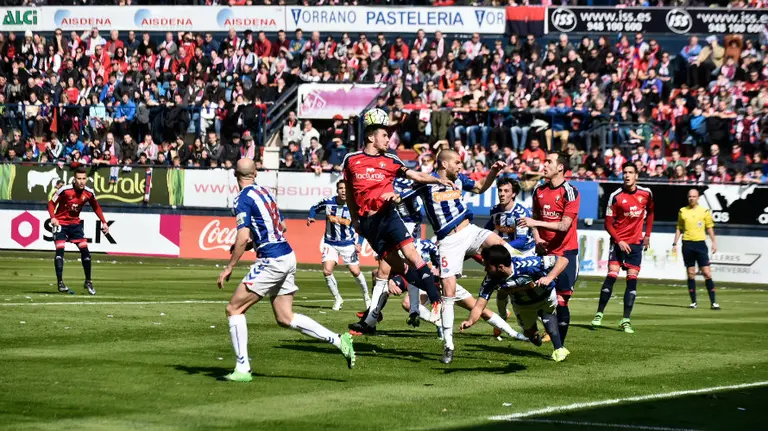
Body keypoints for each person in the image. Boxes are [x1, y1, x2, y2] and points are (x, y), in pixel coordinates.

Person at [216, 159, 356, 382]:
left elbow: (243, 236)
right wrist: (255, 243)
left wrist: (230, 266)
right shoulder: (265, 193)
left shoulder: (242, 199)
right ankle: (339, 340)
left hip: (272, 260)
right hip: (288, 255)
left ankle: (243, 369)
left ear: (236, 175)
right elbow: (281, 226)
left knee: (234, 309)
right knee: (284, 317)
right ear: (255, 173)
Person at [343, 109, 453, 336]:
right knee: (397, 267)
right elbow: (351, 195)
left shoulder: (391, 160)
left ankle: (435, 300)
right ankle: (376, 318)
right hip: (368, 224)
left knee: (412, 255)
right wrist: (355, 220)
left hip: (388, 216)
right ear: (372, 137)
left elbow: (417, 176)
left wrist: (438, 179)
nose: (388, 139)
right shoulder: (351, 160)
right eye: (384, 135)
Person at [405, 149, 513, 363]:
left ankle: (505, 283)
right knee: (449, 293)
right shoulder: (426, 182)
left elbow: (481, 187)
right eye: (457, 162)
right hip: (448, 241)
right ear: (444, 164)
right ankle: (448, 344)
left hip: (469, 231)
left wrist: (493, 171)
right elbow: (403, 196)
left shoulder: (460, 180)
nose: (460, 166)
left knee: (500, 245)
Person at [394, 238, 528, 343]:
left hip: (445, 285)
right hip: (427, 287)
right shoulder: (400, 252)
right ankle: (439, 322)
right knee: (408, 303)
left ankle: (514, 334)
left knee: (480, 309)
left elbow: (428, 271)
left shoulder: (421, 247)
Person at [460, 245, 571, 362]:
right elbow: (479, 306)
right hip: (522, 306)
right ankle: (535, 336)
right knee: (530, 334)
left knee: (548, 318)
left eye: (487, 266)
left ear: (500, 267)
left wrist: (549, 277)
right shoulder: (490, 280)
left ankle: (559, 349)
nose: (485, 269)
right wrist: (470, 321)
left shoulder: (528, 264)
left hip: (545, 297)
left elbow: (563, 260)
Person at [518, 152, 580, 349]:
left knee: (561, 301)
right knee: (536, 297)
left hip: (566, 253)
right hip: (544, 254)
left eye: (549, 162)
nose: (544, 165)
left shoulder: (570, 192)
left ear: (560, 167)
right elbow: (535, 216)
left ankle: (559, 347)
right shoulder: (539, 190)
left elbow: (563, 226)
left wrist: (533, 223)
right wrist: (536, 237)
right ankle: (536, 333)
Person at [592, 163, 655, 333]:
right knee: (611, 276)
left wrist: (647, 235)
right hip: (619, 243)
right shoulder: (615, 196)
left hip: (635, 244)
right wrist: (618, 240)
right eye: (625, 172)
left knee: (632, 282)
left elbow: (651, 213)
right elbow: (608, 223)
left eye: (630, 172)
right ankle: (599, 314)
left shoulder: (646, 193)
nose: (627, 175)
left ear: (636, 175)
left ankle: (625, 320)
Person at [484, 177, 536, 340]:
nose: (502, 194)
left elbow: (521, 240)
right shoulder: (494, 210)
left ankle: (545, 324)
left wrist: (500, 248)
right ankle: (502, 318)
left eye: (506, 191)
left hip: (524, 254)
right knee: (502, 290)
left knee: (523, 292)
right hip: (507, 253)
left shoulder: (520, 212)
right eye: (500, 190)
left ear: (513, 194)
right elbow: (488, 229)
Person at [307, 181, 371, 311]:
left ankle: (366, 296)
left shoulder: (356, 205)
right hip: (330, 243)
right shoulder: (328, 202)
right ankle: (337, 299)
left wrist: (359, 243)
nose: (343, 191)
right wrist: (311, 217)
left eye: (345, 188)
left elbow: (363, 226)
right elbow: (314, 207)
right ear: (337, 190)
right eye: (340, 188)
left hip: (348, 244)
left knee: (355, 271)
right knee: (327, 270)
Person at [47, 167, 109, 295]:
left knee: (85, 251)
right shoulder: (64, 190)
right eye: (79, 179)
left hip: (75, 225)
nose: (81, 181)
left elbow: (96, 207)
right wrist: (53, 218)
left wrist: (104, 222)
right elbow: (51, 203)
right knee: (60, 251)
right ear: (74, 179)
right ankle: (60, 283)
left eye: (84, 179)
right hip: (61, 223)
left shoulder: (89, 193)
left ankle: (88, 281)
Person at [673, 188, 720, 310]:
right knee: (691, 274)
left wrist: (714, 242)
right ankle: (693, 301)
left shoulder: (704, 211)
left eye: (694, 196)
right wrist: (674, 244)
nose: (691, 198)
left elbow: (709, 228)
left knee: (707, 273)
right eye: (690, 196)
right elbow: (679, 228)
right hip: (687, 244)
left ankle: (713, 302)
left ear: (698, 198)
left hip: (700, 244)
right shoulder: (682, 211)